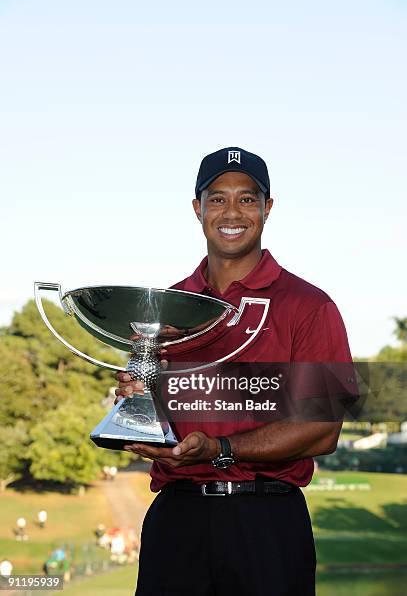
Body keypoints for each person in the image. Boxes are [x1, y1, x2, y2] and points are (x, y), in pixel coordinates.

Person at [115, 147, 354, 595]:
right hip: (176, 518)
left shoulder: (310, 306)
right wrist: (137, 400)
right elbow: (156, 414)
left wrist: (219, 449)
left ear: (267, 208)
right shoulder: (167, 305)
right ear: (197, 208)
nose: (232, 212)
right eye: (217, 198)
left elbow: (323, 430)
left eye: (247, 199)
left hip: (266, 522)